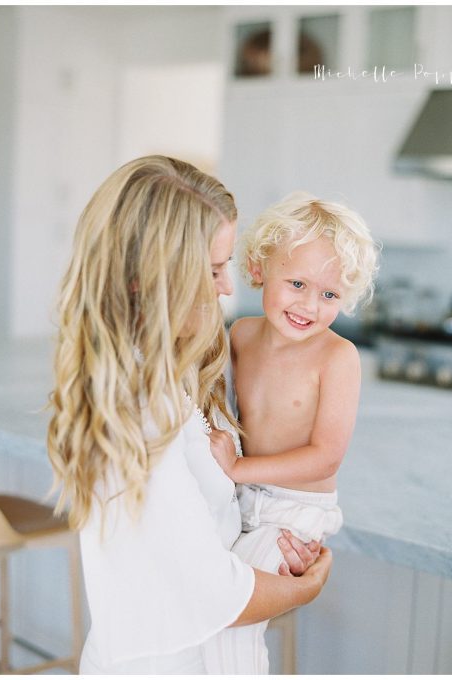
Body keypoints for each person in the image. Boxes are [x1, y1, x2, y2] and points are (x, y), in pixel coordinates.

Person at [47, 156, 331, 673]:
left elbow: (210, 528)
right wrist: (304, 588)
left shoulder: (168, 368)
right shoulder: (137, 411)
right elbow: (214, 595)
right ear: (149, 279)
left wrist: (272, 547)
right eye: (214, 268)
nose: (227, 287)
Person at [202, 192, 378, 673]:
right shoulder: (239, 334)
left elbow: (325, 458)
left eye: (329, 295)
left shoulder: (337, 358)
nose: (309, 305)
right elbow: (215, 406)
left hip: (293, 513)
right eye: (297, 282)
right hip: (241, 499)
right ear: (258, 269)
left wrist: (238, 467)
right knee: (205, 611)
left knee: (232, 618)